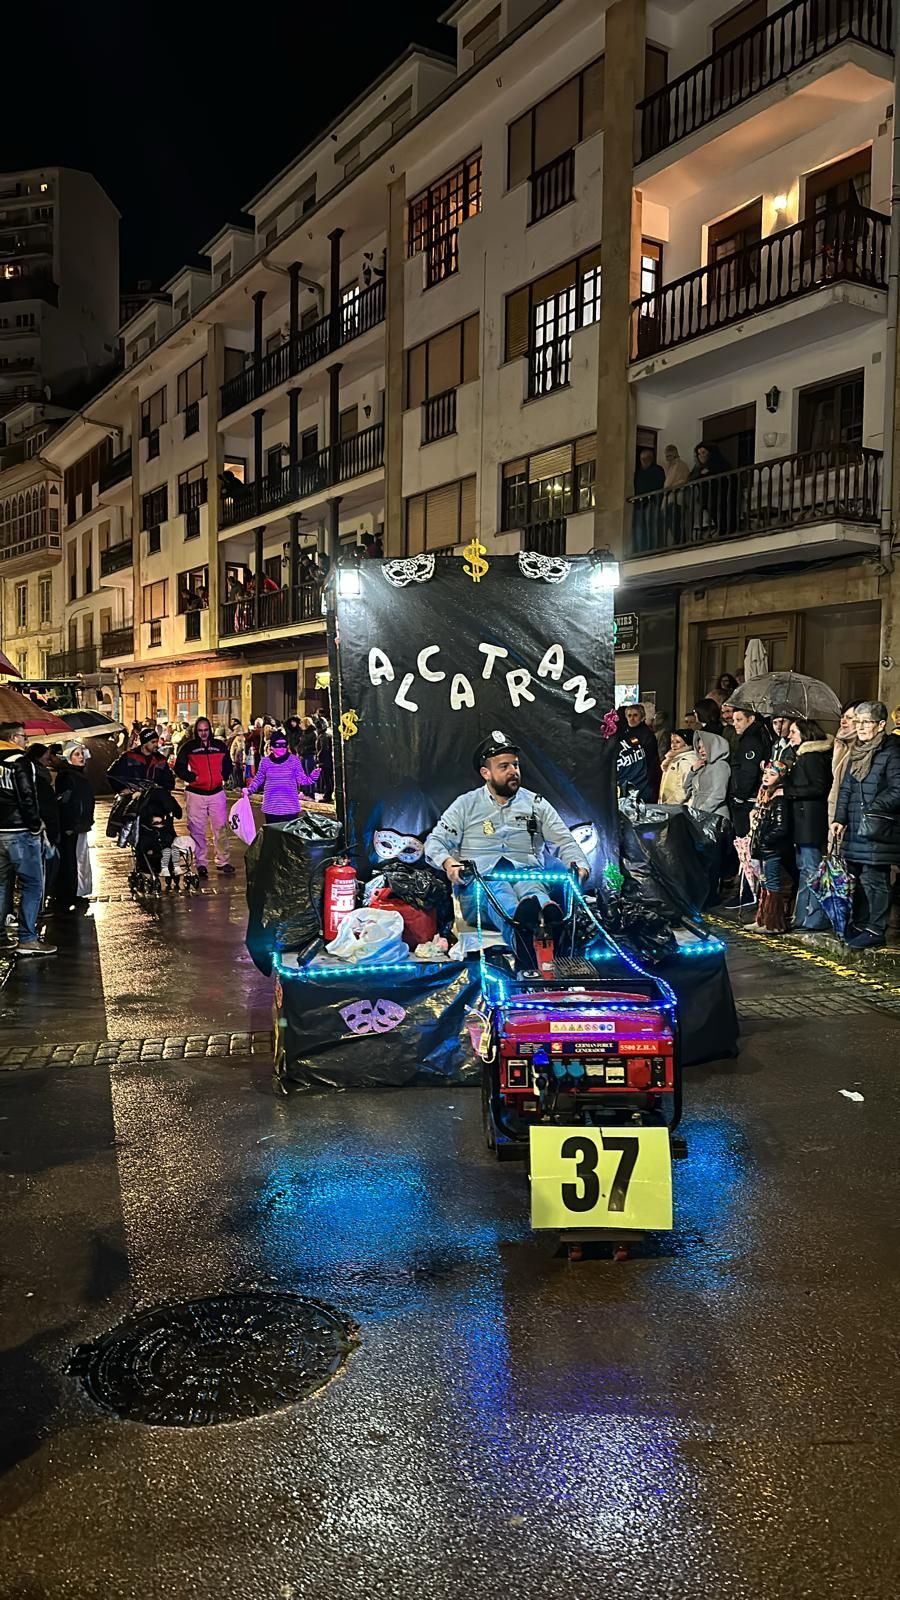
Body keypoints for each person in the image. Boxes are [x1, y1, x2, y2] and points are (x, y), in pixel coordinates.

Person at [424, 733, 590, 952]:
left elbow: (565, 843)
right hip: (480, 886)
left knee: (532, 889)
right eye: (504, 767)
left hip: (527, 876)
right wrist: (447, 863)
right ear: (486, 773)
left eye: (516, 765)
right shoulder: (466, 805)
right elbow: (434, 842)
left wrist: (580, 865)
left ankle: (550, 922)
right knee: (499, 888)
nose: (513, 771)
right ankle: (521, 935)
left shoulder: (536, 804)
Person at [832, 700, 900, 948]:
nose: (860, 727)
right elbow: (847, 788)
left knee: (875, 880)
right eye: (857, 721)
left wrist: (874, 808)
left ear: (881, 724)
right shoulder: (857, 751)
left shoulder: (892, 752)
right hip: (855, 827)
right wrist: (840, 818)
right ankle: (860, 924)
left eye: (866, 722)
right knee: (857, 878)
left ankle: (876, 929)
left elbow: (898, 789)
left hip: (878, 828)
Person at [0, 722, 56, 956]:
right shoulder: (21, 762)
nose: (26, 741)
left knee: (2, 884)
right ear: (14, 737)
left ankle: (1, 937)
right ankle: (27, 938)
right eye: (24, 737)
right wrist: (36, 825)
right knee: (33, 884)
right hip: (20, 831)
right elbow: (26, 796)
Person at [783, 718, 832, 933]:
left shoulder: (812, 757)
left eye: (793, 732)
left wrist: (788, 791)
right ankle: (802, 916)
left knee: (812, 871)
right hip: (802, 821)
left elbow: (819, 787)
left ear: (805, 733)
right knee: (804, 870)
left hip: (810, 822)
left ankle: (815, 917)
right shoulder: (800, 756)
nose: (789, 736)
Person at [174, 716, 234, 879]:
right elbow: (178, 767)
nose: (203, 734)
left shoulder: (219, 746)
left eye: (206, 730)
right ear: (196, 731)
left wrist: (223, 775)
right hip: (195, 793)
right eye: (200, 731)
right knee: (197, 830)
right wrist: (193, 778)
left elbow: (228, 763)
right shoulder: (189, 747)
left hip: (216, 791)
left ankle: (223, 861)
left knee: (221, 828)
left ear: (210, 730)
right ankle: (201, 863)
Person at [747, 759, 792, 935]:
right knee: (765, 883)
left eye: (772, 774)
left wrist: (765, 840)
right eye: (766, 773)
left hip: (771, 850)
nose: (766, 777)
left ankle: (774, 923)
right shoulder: (766, 796)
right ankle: (763, 919)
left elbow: (781, 827)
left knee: (772, 884)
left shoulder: (779, 799)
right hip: (763, 849)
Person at [55, 740, 95, 908]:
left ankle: (76, 891)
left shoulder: (76, 774)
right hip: (73, 825)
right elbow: (66, 803)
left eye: (82, 754)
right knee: (72, 859)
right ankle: (70, 892)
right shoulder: (67, 776)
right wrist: (70, 824)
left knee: (79, 857)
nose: (81, 757)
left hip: (79, 824)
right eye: (77, 754)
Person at [247, 730, 307, 825]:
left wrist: (312, 777)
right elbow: (259, 778)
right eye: (278, 745)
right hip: (271, 807)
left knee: (289, 838)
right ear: (271, 747)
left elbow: (302, 779)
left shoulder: (294, 760)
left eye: (284, 745)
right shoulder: (265, 762)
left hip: (290, 807)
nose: (281, 748)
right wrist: (249, 790)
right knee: (274, 838)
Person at [27, 743, 61, 907]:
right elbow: (44, 806)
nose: (50, 757)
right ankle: (38, 906)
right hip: (41, 829)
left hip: (40, 827)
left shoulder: (40, 776)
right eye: (47, 754)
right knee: (46, 867)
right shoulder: (37, 778)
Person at [730, 707, 771, 838]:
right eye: (733, 720)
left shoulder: (751, 740)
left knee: (745, 841)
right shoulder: (758, 734)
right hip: (751, 796)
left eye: (739, 720)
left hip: (748, 799)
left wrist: (739, 796)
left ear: (751, 719)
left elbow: (749, 770)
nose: (734, 723)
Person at [108, 726, 175, 793]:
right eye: (153, 742)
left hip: (154, 797)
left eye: (157, 742)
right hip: (132, 797)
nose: (156, 745)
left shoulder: (160, 759)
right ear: (144, 743)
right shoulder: (129, 756)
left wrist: (161, 788)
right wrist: (122, 789)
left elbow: (169, 781)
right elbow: (112, 775)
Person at [683, 730, 731, 817]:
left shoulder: (720, 765)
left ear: (713, 746)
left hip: (714, 815)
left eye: (704, 746)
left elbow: (718, 794)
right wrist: (693, 770)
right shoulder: (702, 766)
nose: (701, 750)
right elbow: (686, 789)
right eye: (699, 748)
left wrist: (701, 811)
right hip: (699, 813)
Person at [621, 703, 661, 801]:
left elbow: (651, 759)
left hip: (645, 778)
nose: (632, 718)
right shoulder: (624, 733)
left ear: (642, 717)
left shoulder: (647, 734)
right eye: (629, 715)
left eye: (635, 715)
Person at [828, 702, 857, 824]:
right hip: (835, 802)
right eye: (842, 717)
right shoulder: (839, 742)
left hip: (851, 809)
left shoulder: (860, 746)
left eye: (849, 718)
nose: (843, 721)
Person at [632, 447, 665, 551]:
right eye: (642, 458)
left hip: (652, 502)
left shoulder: (657, 470)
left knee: (651, 525)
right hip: (639, 504)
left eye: (647, 458)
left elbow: (660, 485)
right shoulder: (638, 472)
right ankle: (640, 548)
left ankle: (652, 548)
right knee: (639, 527)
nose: (644, 460)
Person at [659, 728, 696, 804]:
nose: (673, 745)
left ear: (686, 743)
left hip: (678, 807)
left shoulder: (686, 760)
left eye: (678, 742)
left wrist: (669, 804)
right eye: (672, 742)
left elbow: (683, 790)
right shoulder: (675, 758)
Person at [317, 723, 334, 804]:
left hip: (325, 760)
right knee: (328, 778)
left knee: (327, 778)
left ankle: (327, 795)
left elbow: (324, 749)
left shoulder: (324, 736)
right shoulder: (327, 734)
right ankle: (328, 794)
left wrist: (318, 758)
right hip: (328, 760)